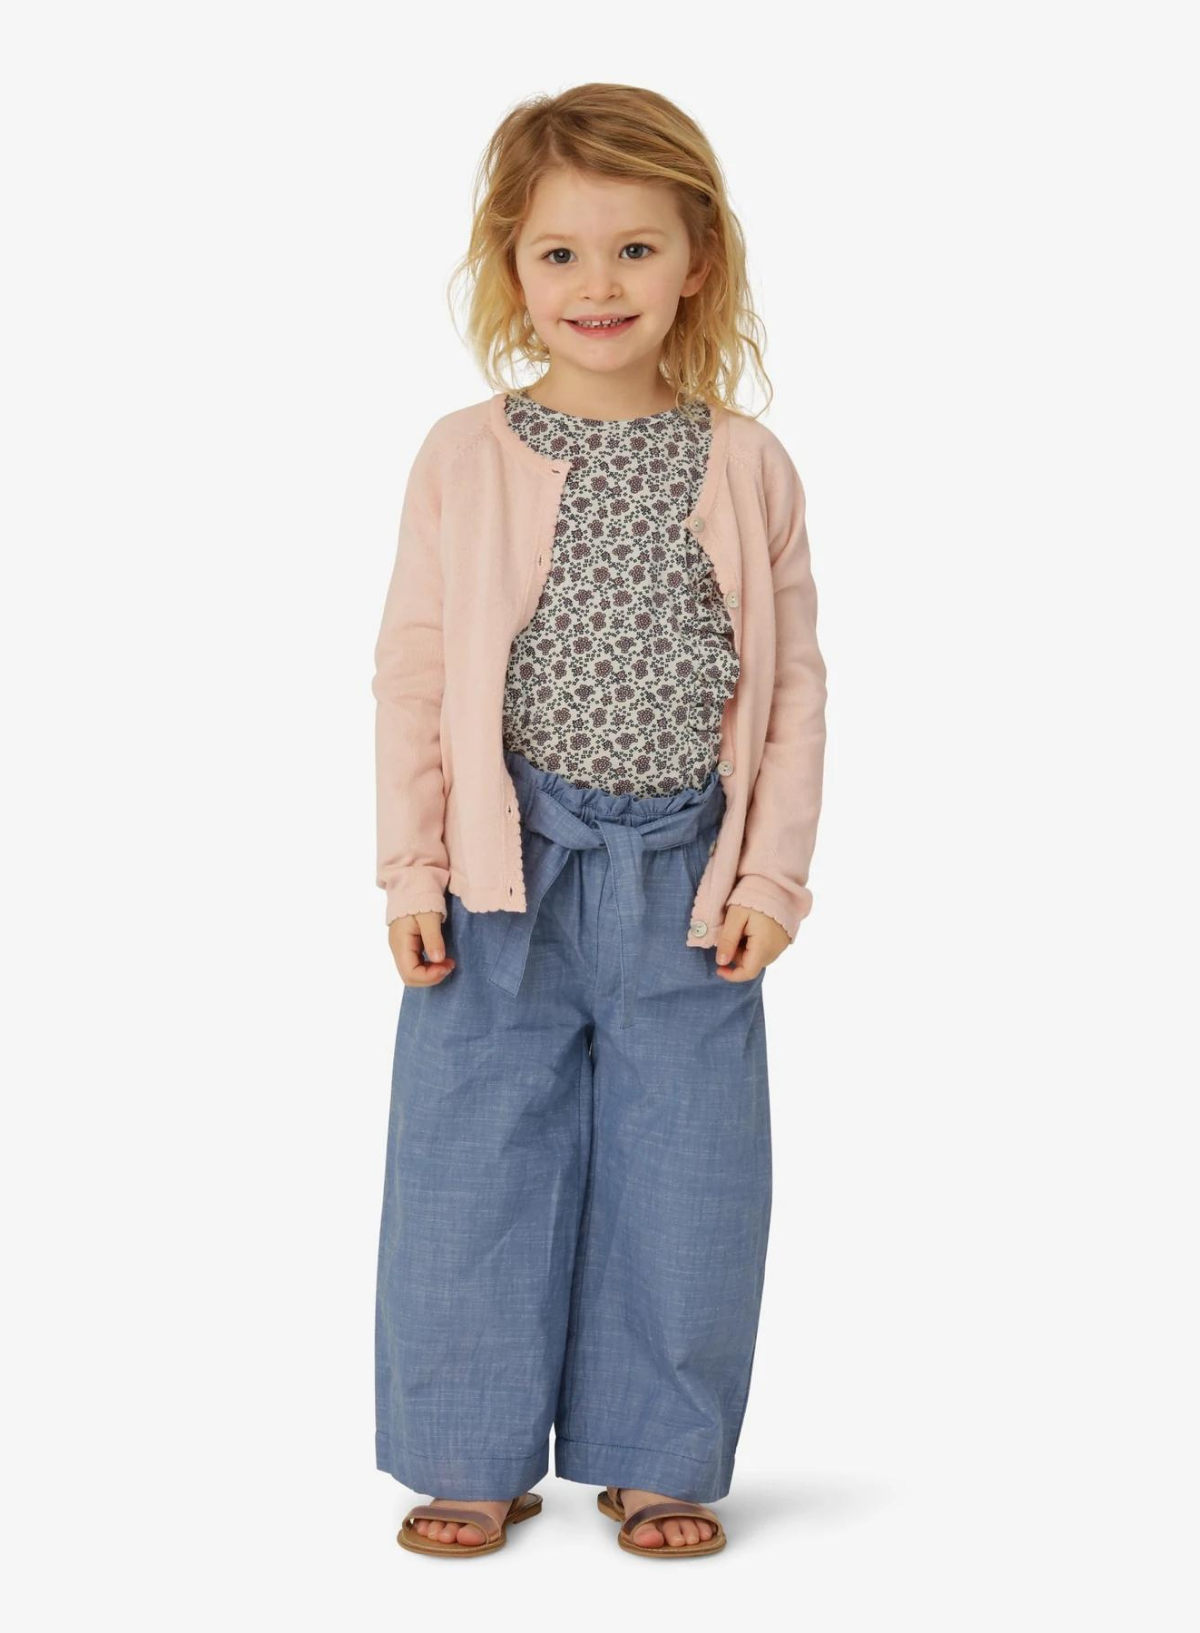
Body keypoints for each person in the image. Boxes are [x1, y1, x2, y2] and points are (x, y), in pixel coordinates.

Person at [372, 82, 828, 1560]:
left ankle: (656, 1454)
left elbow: (792, 687)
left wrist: (771, 877)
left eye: (636, 248)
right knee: (470, 1165)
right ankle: (470, 1453)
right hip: (504, 877)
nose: (598, 283)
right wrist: (413, 871)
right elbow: (413, 673)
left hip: (688, 877)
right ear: (510, 266)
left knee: (688, 1171)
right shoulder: (462, 454)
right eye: (560, 252)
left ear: (699, 261)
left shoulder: (744, 462)